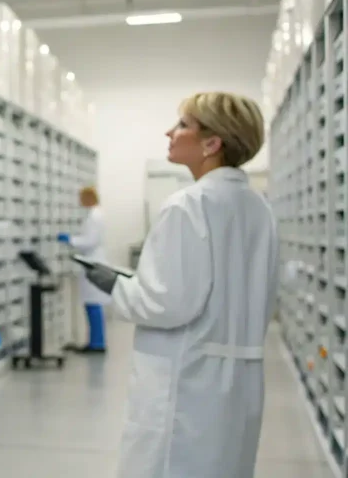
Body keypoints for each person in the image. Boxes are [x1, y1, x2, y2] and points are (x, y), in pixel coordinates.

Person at [83, 92, 278, 478]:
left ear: (212, 143)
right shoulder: (258, 208)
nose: (170, 132)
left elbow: (166, 303)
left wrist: (117, 287)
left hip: (187, 383)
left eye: (184, 125)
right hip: (238, 383)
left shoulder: (188, 204)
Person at [57, 186, 110, 353]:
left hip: (92, 262)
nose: (79, 201)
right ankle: (95, 341)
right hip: (92, 261)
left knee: (93, 303)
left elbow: (90, 241)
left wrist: (70, 240)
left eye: (81, 198)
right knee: (92, 303)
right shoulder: (96, 214)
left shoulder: (94, 216)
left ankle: (97, 343)